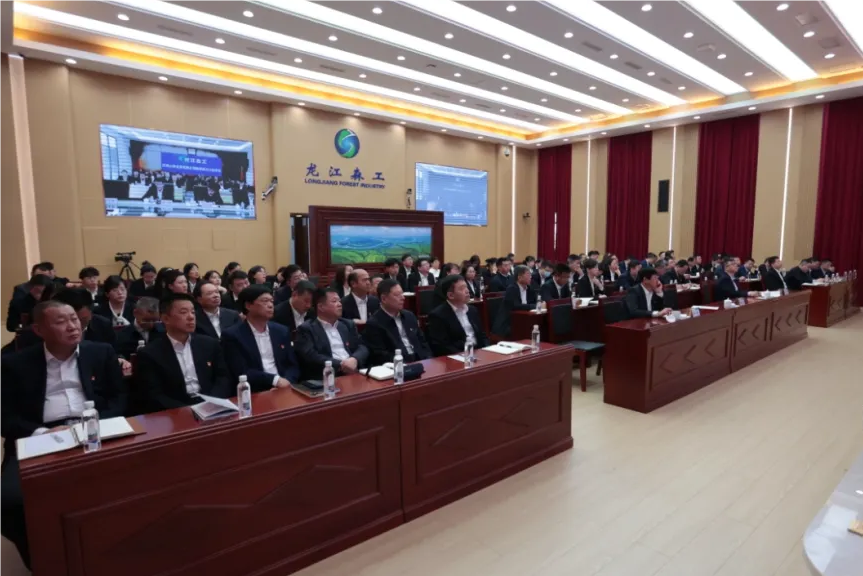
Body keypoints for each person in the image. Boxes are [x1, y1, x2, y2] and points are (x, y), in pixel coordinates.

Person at [0, 301, 126, 570]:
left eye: (74, 319)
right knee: (9, 501)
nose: (72, 326)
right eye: (61, 321)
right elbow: (5, 417)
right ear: (39, 329)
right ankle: (46, 562)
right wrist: (43, 432)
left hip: (94, 429)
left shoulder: (101, 352)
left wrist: (93, 425)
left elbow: (119, 398)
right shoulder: (14, 364)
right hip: (40, 434)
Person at [136, 293, 231, 411]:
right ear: (165, 318)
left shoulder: (209, 344)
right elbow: (153, 394)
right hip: (175, 410)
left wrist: (212, 401)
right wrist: (185, 410)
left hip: (210, 404)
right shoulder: (150, 353)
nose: (191, 317)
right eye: (183, 312)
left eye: (193, 312)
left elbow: (223, 378)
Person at [221, 285, 300, 392]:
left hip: (285, 386)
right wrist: (275, 380)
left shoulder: (281, 331)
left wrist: (287, 381)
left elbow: (292, 364)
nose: (270, 305)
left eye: (271, 301)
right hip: (254, 390)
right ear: (248, 305)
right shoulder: (232, 335)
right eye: (265, 301)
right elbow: (241, 371)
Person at [294, 288, 369, 381]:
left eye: (339, 301)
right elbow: (311, 356)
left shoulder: (347, 324)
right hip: (327, 376)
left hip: (354, 370)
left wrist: (355, 359)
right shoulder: (306, 329)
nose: (339, 304)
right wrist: (341, 364)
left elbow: (362, 346)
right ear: (321, 307)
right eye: (334, 301)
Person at [363, 279, 431, 365]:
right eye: (397, 295)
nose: (403, 298)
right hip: (398, 365)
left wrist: (429, 359)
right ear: (384, 298)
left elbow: (423, 342)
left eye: (402, 294)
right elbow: (380, 355)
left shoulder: (409, 316)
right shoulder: (374, 323)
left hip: (421, 361)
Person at [426, 275, 490, 356]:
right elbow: (442, 346)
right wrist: (464, 355)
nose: (467, 291)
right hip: (458, 356)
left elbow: (482, 335)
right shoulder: (438, 315)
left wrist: (487, 349)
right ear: (451, 295)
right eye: (462, 288)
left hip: (479, 352)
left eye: (466, 287)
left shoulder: (472, 310)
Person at [492, 265, 537, 338]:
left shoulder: (530, 289)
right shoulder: (511, 289)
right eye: (528, 274)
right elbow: (516, 306)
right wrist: (533, 306)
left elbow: (535, 302)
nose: (530, 277)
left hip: (524, 320)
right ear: (519, 277)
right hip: (508, 323)